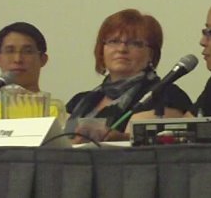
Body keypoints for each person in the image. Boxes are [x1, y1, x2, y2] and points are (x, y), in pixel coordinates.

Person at [65, 9, 192, 142]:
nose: (122, 49)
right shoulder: (79, 101)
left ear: (151, 54)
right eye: (114, 41)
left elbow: (139, 148)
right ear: (101, 50)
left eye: (135, 43)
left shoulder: (164, 95)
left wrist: (114, 138)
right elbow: (61, 142)